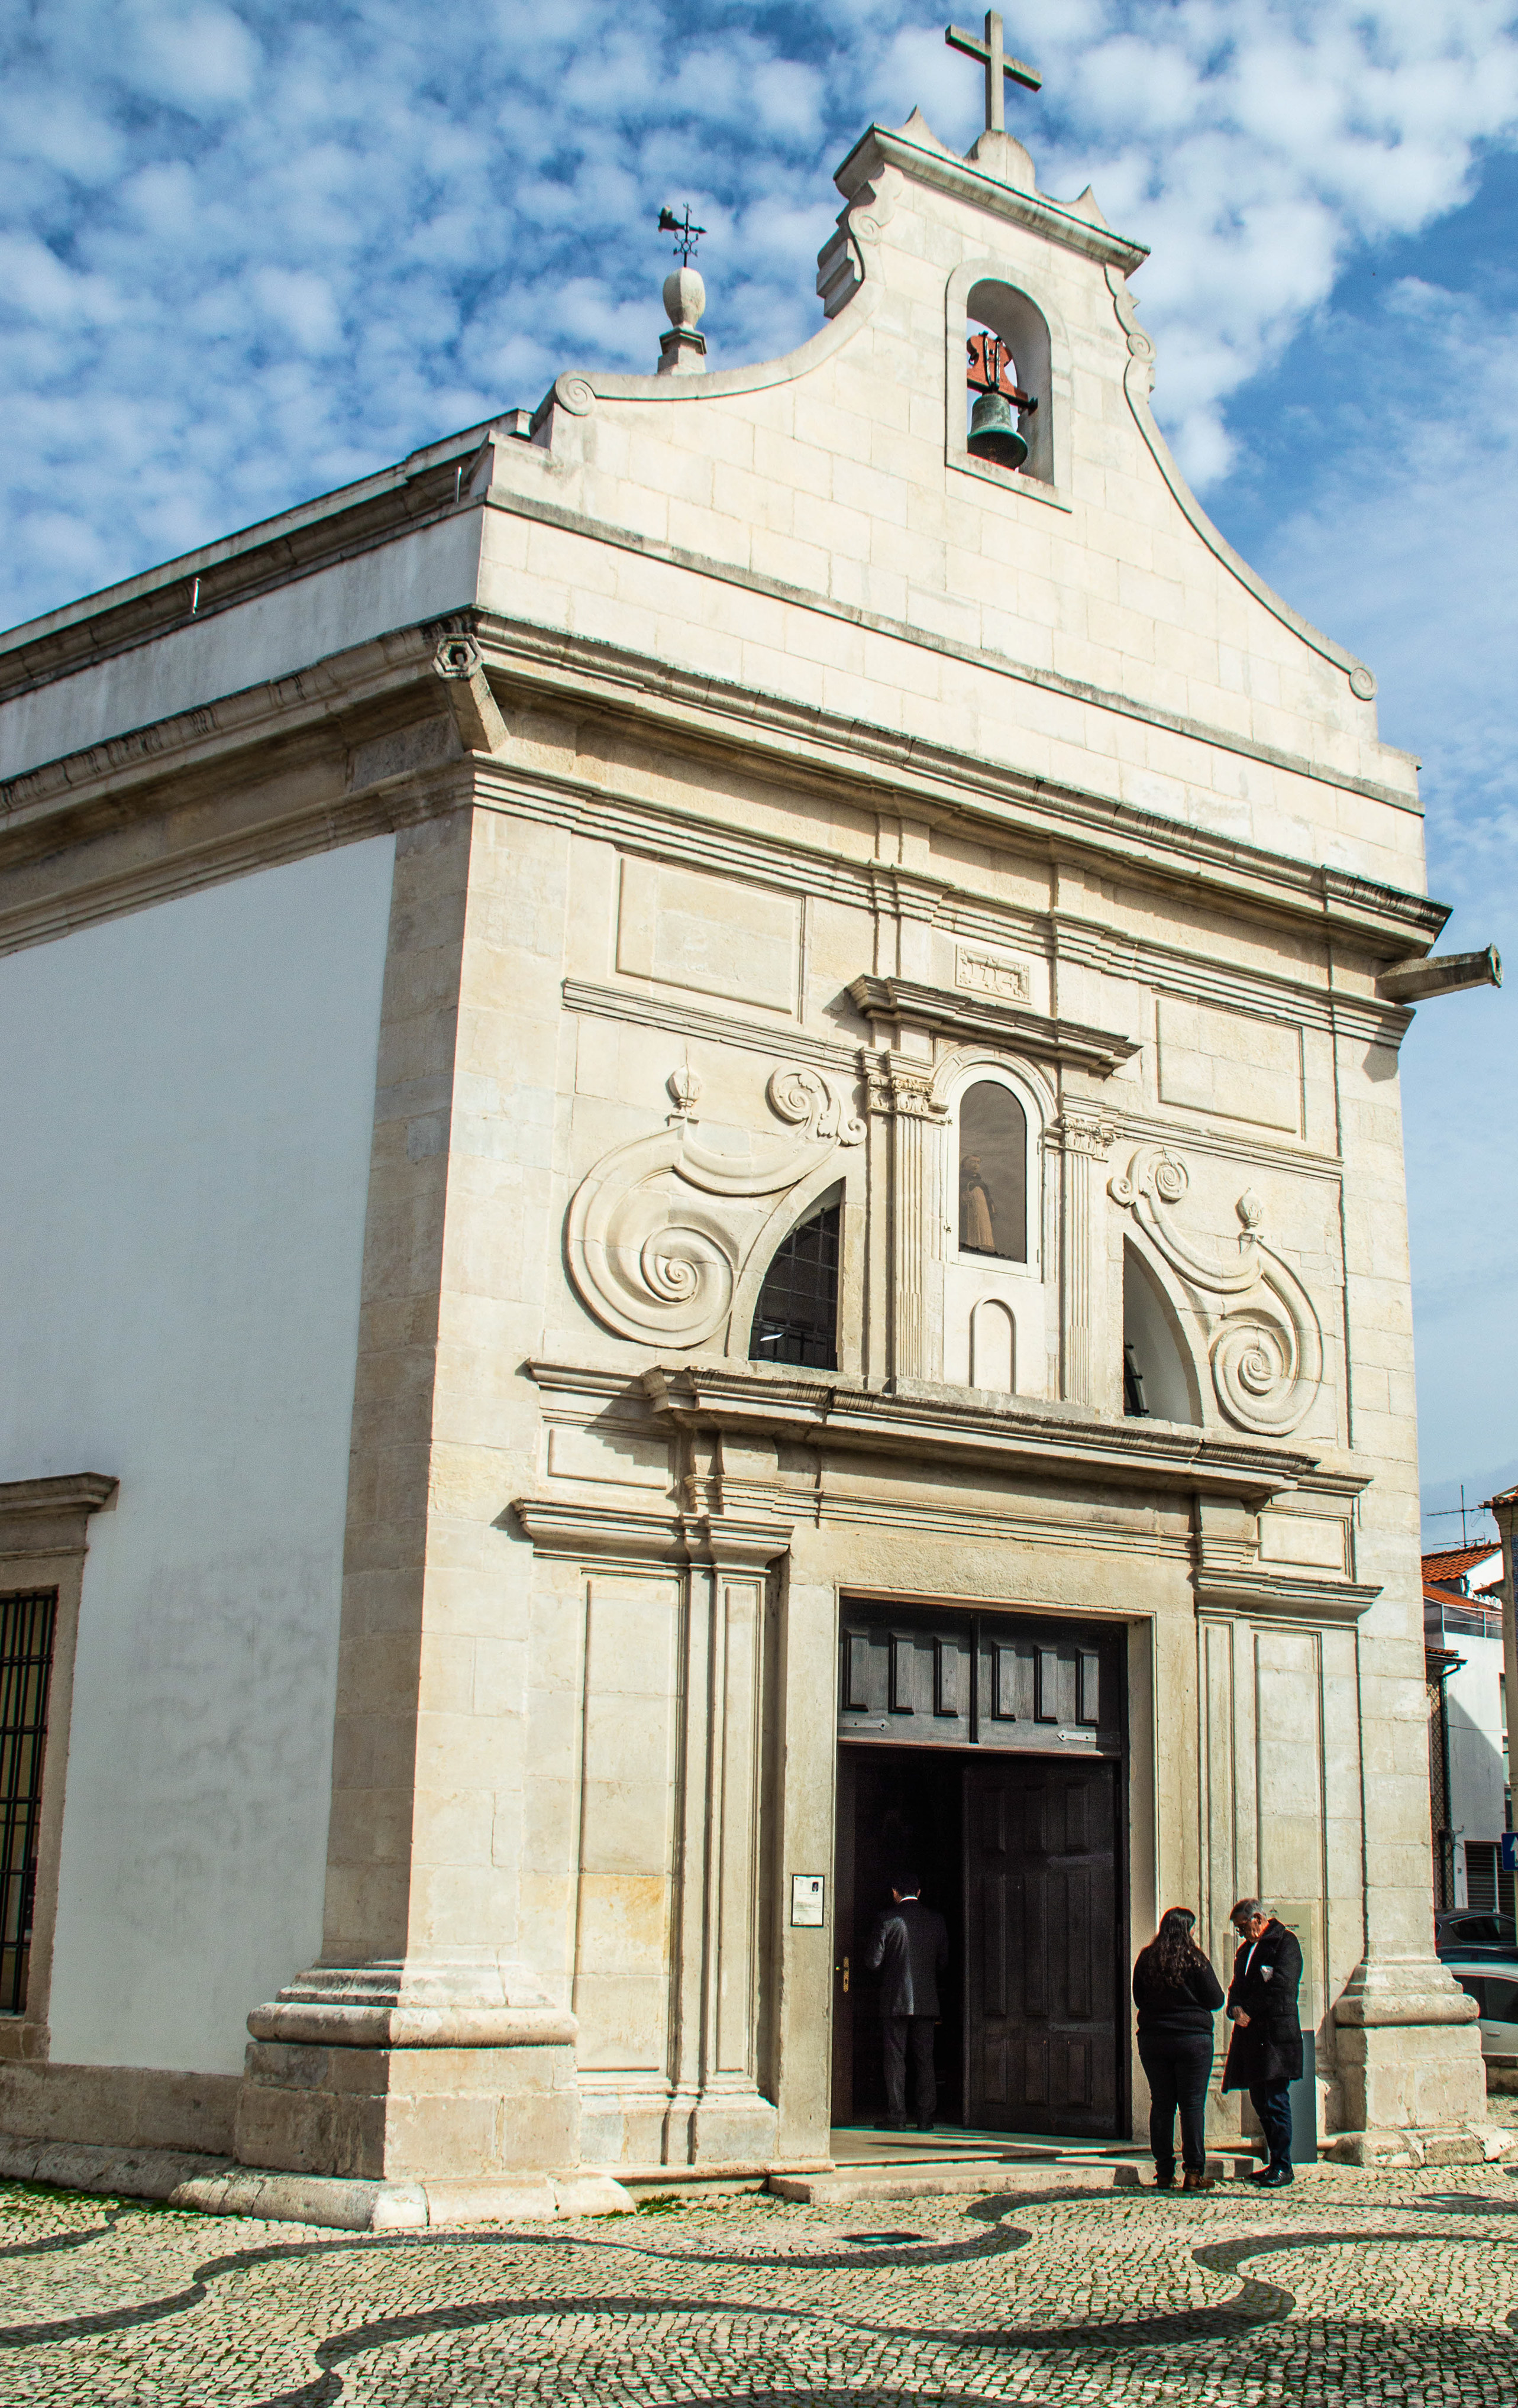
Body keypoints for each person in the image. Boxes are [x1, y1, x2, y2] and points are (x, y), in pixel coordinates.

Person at [1132, 1906, 1224, 2190]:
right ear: (1188, 1930)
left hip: (1154, 2039)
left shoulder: (1147, 1959)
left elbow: (1138, 1998)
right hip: (1192, 2041)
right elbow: (1216, 1999)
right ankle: (1194, 2173)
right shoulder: (1195, 1959)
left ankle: (1163, 2173)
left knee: (1161, 2104)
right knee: (1192, 2105)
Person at [1222, 1896, 1303, 2187]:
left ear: (1257, 1920)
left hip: (1275, 2040)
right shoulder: (1245, 1951)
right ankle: (1273, 2164)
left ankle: (1284, 2165)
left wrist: (1250, 2010)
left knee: (1276, 2101)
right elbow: (1236, 1988)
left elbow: (1283, 1987)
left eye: (1242, 1926)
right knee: (1260, 2102)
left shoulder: (1285, 1943)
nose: (1240, 1933)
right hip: (1251, 2039)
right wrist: (1234, 2009)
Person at [864, 1871, 949, 2132]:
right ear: (919, 1892)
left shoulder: (887, 1919)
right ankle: (926, 2119)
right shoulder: (937, 1921)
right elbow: (944, 1963)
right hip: (926, 2001)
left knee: (895, 2060)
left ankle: (897, 2117)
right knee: (926, 2060)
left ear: (894, 1892)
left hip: (895, 2001)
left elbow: (873, 1962)